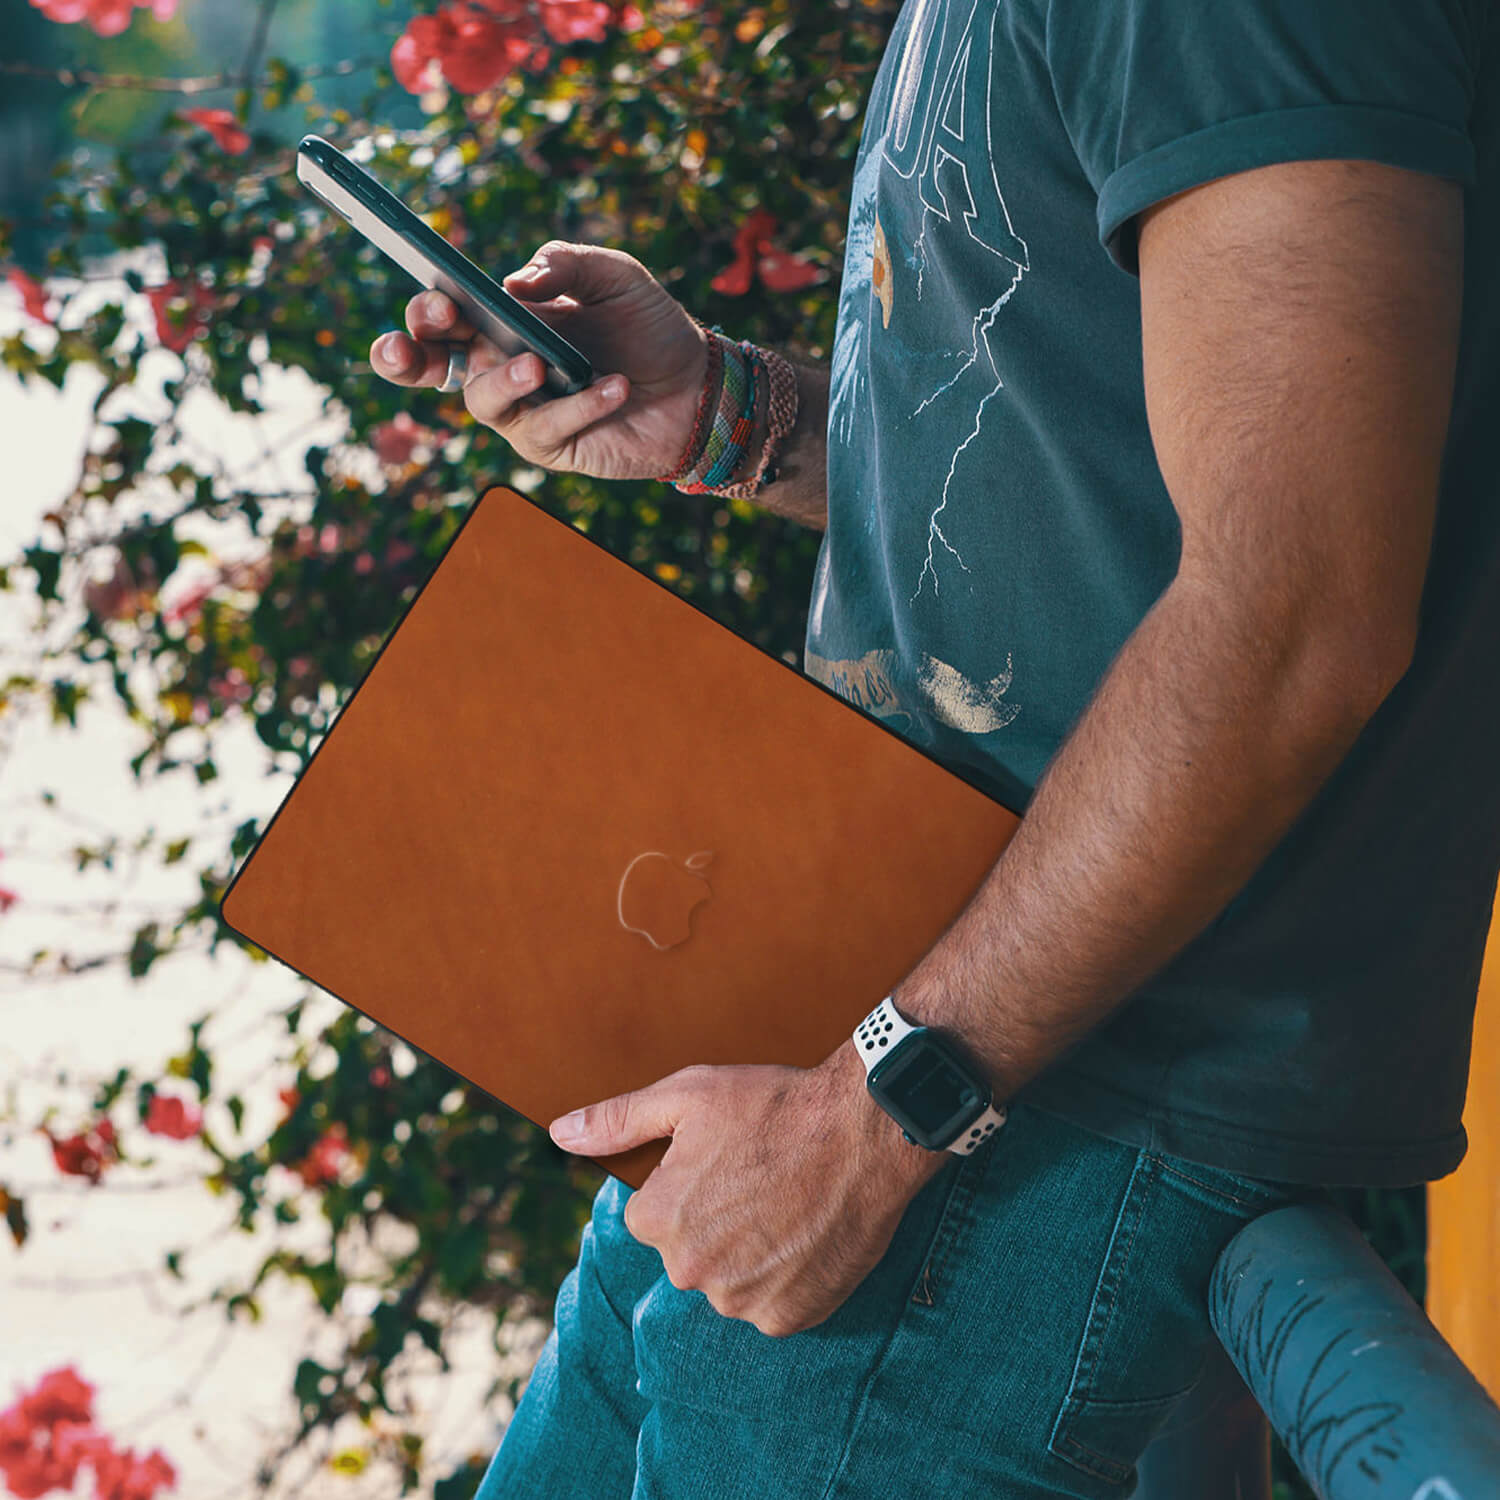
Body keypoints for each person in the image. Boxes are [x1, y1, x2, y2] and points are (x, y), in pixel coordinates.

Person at [372, 2, 1498, 1494]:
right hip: (854, 1042)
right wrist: (725, 415)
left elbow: (1301, 611)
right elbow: (1055, 467)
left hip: (1023, 1110)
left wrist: (872, 1119)